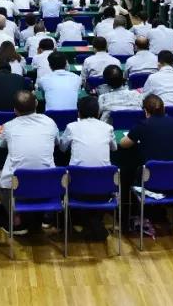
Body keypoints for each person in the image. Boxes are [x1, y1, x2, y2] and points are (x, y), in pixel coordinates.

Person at [0, 90, 59, 235]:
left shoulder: (9, 127)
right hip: (46, 182)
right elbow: (57, 142)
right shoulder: (50, 122)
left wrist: (0, 133)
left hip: (19, 183)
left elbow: (2, 144)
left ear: (15, 110)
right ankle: (47, 215)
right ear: (36, 103)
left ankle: (16, 219)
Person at [57, 96, 117, 239]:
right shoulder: (108, 128)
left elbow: (62, 148)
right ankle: (94, 224)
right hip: (104, 188)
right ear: (98, 113)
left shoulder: (72, 127)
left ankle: (87, 224)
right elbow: (114, 148)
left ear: (79, 113)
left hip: (76, 188)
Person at [119, 94, 173, 162]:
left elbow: (123, 144)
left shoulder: (142, 125)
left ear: (146, 111)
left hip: (151, 170)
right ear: (163, 108)